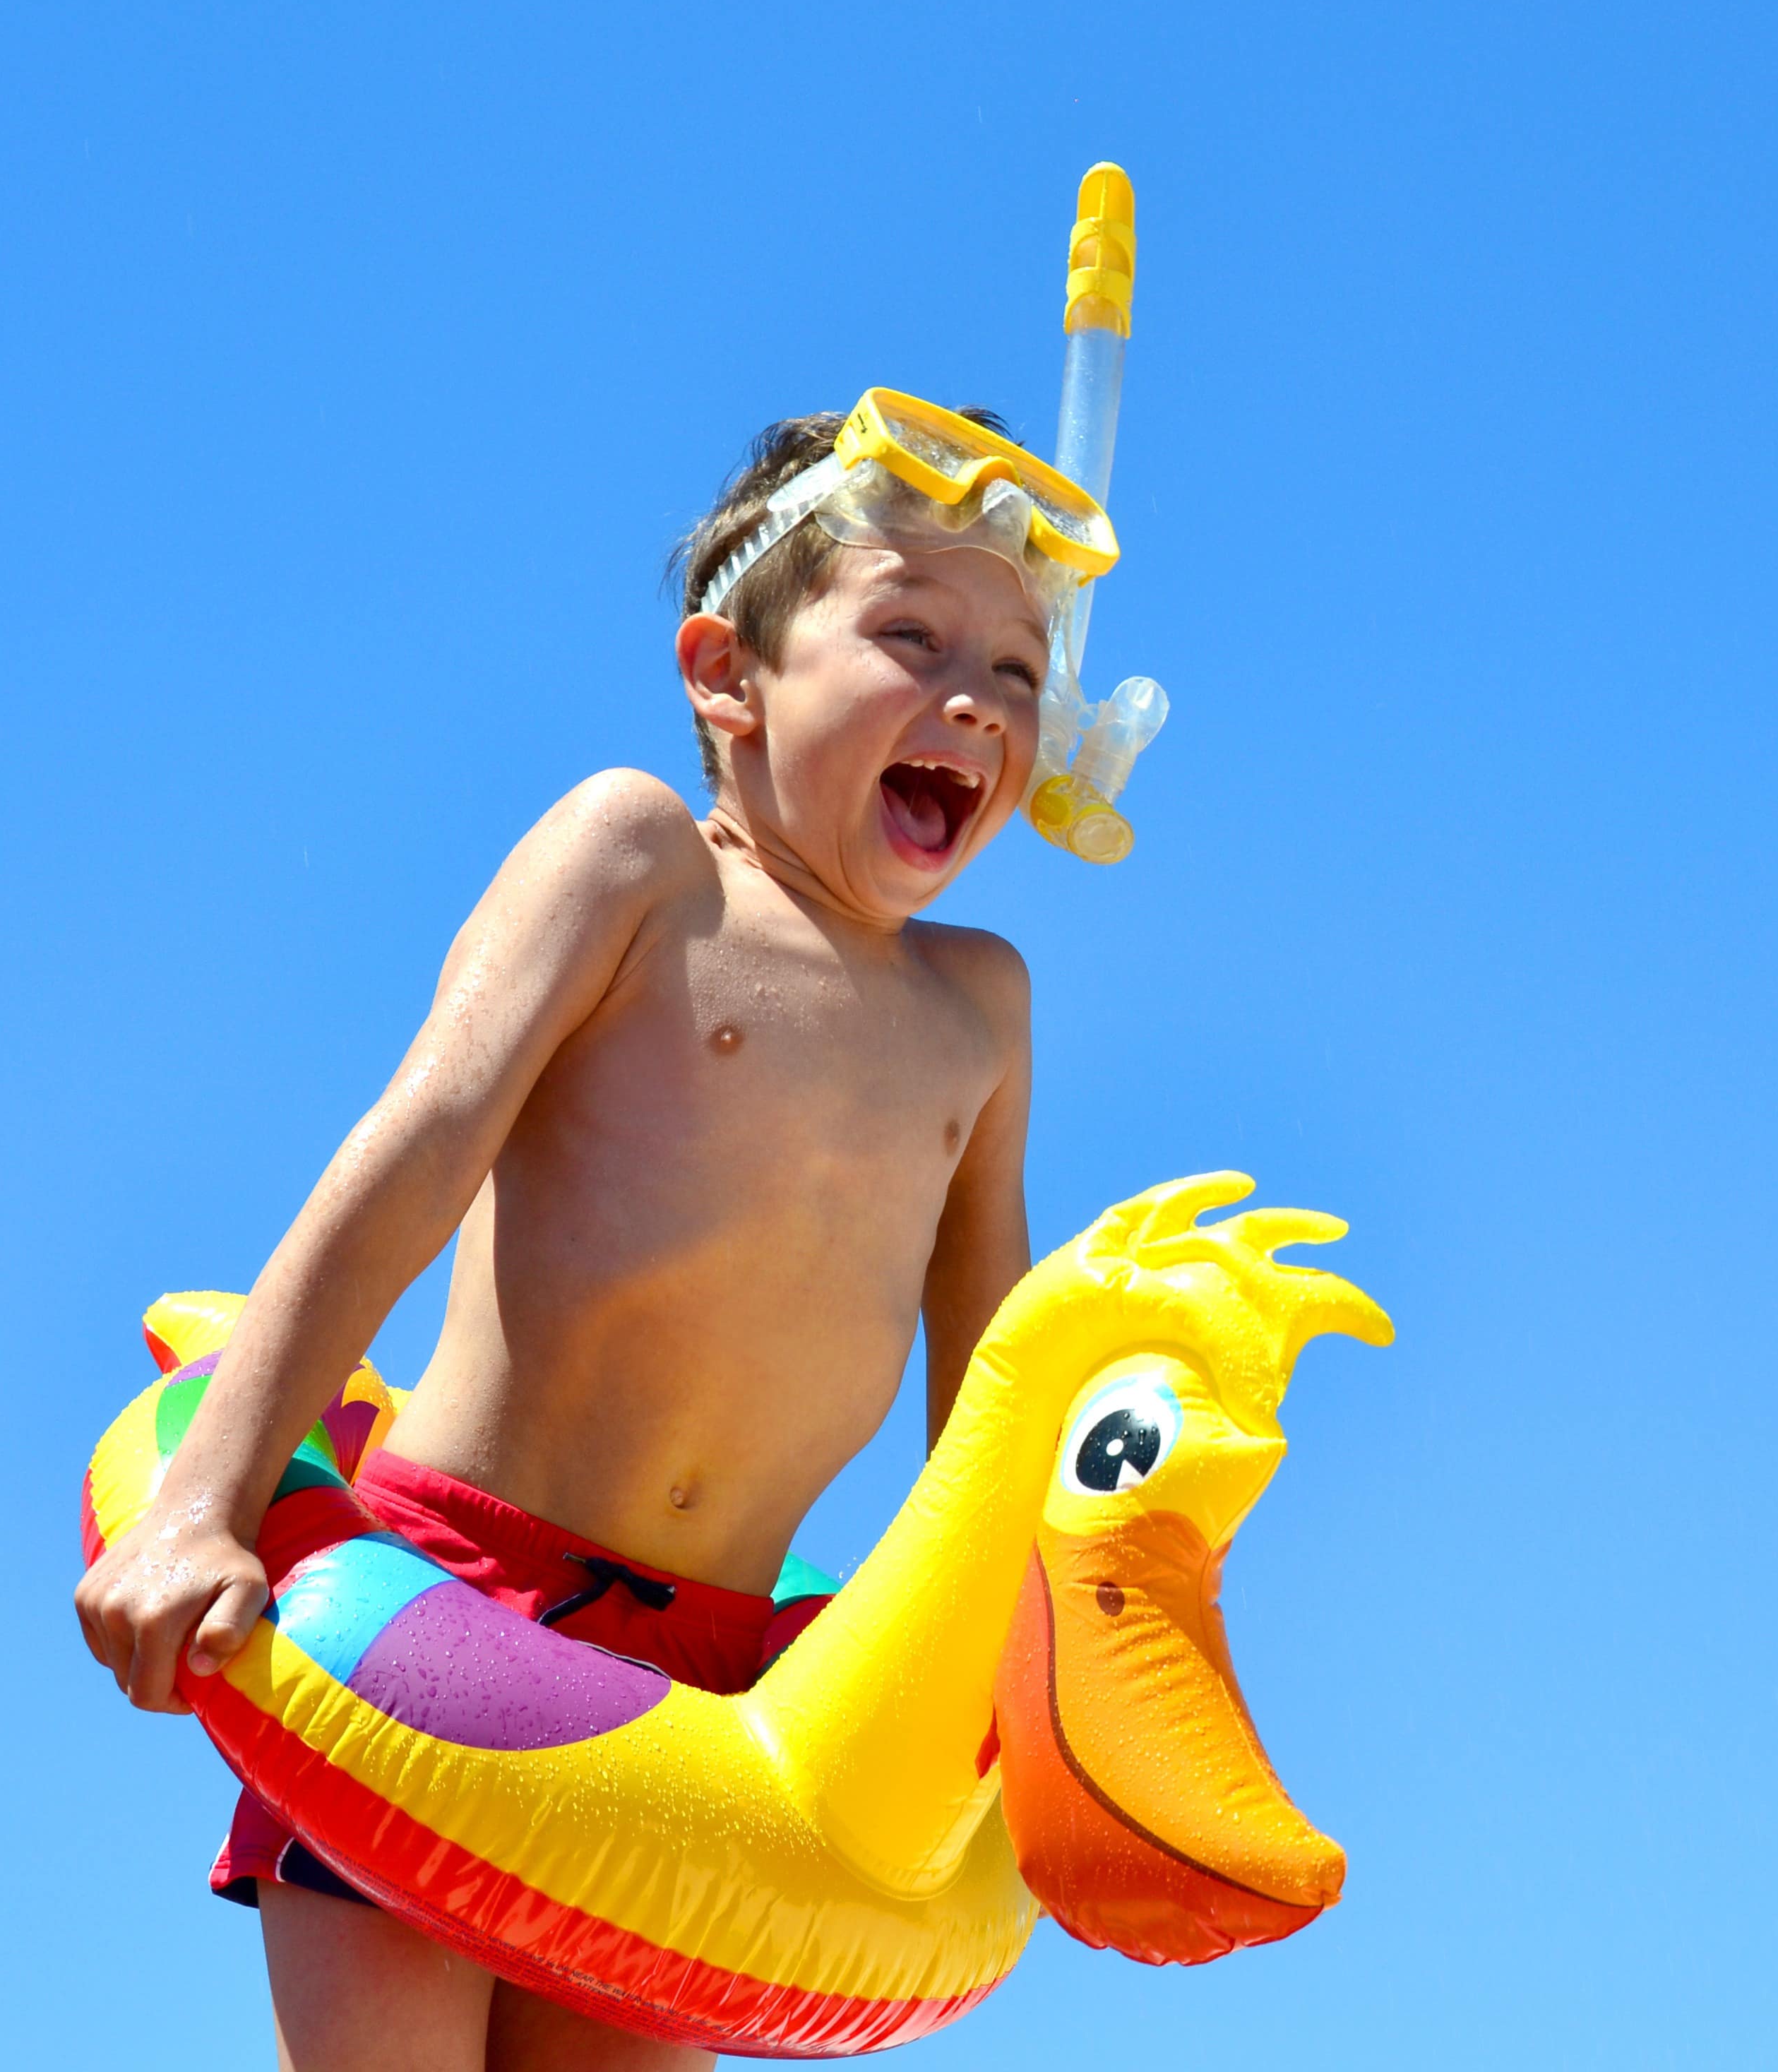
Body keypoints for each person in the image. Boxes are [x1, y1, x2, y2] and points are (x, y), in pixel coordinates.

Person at [73, 399, 1090, 2071]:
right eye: (910, 634)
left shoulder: (984, 1010)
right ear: (726, 675)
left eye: (1019, 672)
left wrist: (1025, 1701)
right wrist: (208, 1500)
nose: (973, 699)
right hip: (444, 1605)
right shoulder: (638, 867)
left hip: (709, 1695)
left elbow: (995, 1400)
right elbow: (412, 1151)